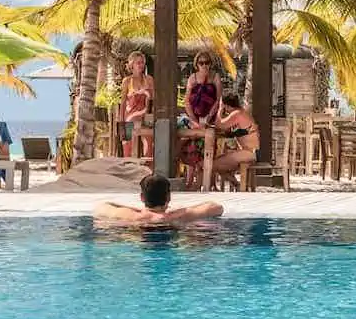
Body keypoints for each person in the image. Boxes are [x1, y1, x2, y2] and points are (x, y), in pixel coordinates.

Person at [93, 174, 223, 228]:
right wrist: (181, 210)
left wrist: (139, 210)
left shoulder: (132, 216)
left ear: (142, 197)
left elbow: (101, 207)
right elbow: (216, 207)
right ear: (169, 198)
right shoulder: (181, 215)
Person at [180, 52, 222, 185]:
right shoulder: (192, 78)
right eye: (201, 63)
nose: (204, 65)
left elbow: (219, 99)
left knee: (208, 146)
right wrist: (193, 119)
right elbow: (186, 101)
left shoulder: (215, 77)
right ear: (196, 64)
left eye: (207, 62)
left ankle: (207, 181)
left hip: (210, 117)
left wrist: (209, 116)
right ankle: (189, 181)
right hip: (194, 117)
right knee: (192, 146)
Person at [213, 93, 259, 190]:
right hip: (251, 152)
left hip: (249, 153)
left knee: (212, 165)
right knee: (218, 162)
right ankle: (237, 185)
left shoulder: (237, 114)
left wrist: (220, 109)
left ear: (226, 105)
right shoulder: (241, 112)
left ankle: (237, 185)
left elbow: (219, 124)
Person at [121, 51, 155, 158]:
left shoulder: (149, 80)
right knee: (128, 152)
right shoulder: (127, 81)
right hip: (130, 119)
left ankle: (146, 174)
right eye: (138, 63)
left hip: (145, 119)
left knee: (148, 150)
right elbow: (122, 104)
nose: (141, 65)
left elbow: (154, 100)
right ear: (132, 65)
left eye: (142, 62)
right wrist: (121, 124)